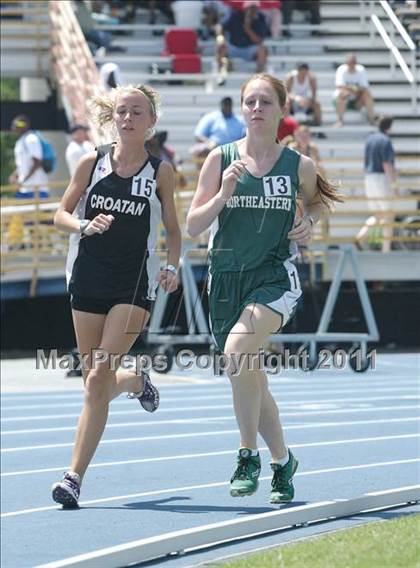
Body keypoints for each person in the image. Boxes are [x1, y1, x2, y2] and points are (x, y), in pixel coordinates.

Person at [186, 73, 343, 503]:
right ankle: (282, 460)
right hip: (225, 280)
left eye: (265, 102)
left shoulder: (298, 165)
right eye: (249, 102)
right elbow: (193, 225)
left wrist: (309, 221)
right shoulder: (220, 159)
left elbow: (317, 200)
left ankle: (246, 456)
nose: (256, 108)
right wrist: (223, 194)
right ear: (242, 109)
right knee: (251, 377)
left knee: (238, 353)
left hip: (274, 276)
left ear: (282, 110)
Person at [51, 84, 181, 508]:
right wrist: (84, 226)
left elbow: (174, 231)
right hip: (87, 276)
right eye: (121, 112)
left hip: (132, 284)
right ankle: (137, 380)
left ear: (151, 122)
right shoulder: (92, 162)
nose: (127, 119)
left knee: (96, 379)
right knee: (97, 381)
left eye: (136, 112)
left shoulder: (160, 172)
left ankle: (73, 477)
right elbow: (60, 214)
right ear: (113, 118)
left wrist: (171, 267)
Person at [356, 115, 399, 253]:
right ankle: (386, 249)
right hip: (381, 178)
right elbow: (387, 164)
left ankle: (361, 236)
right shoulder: (386, 140)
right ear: (390, 127)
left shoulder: (370, 139)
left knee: (378, 214)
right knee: (388, 214)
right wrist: (394, 185)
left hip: (369, 177)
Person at [216, 0, 269, 83]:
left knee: (262, 49)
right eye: (251, 8)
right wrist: (220, 37)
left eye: (255, 8)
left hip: (250, 49)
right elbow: (221, 26)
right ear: (245, 9)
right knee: (221, 46)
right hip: (234, 47)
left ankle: (259, 78)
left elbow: (259, 40)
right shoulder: (235, 15)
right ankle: (221, 75)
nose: (253, 11)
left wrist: (248, 29)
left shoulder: (261, 18)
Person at [8, 114, 50, 199]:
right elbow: (22, 164)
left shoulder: (31, 139)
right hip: (24, 189)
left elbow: (37, 162)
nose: (16, 127)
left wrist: (24, 180)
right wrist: (15, 175)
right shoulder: (20, 142)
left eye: (19, 124)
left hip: (36, 188)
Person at [333, 53, 375, 127]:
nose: (351, 65)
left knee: (367, 94)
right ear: (346, 63)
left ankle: (371, 119)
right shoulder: (341, 69)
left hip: (357, 99)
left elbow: (364, 87)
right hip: (343, 98)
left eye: (353, 63)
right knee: (342, 94)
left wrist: (351, 88)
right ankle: (339, 120)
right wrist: (354, 88)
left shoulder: (361, 69)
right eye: (349, 63)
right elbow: (339, 86)